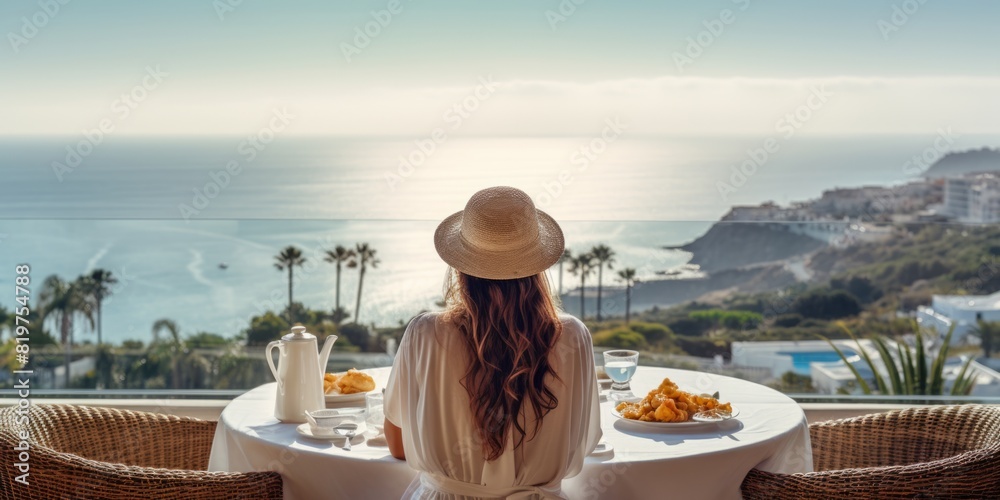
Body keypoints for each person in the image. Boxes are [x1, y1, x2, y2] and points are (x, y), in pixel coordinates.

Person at [384, 186, 602, 499]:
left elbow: (397, 445)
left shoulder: (425, 334)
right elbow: (585, 444)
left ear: (461, 269)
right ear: (537, 267)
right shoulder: (573, 338)